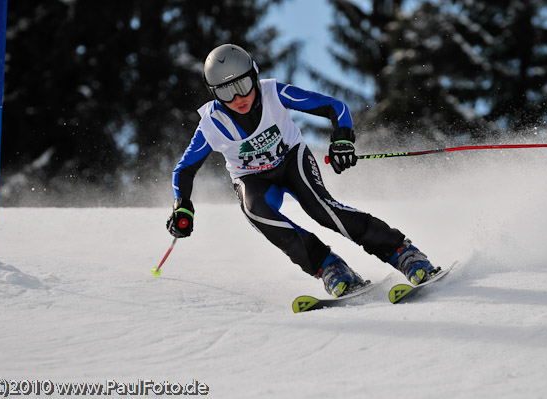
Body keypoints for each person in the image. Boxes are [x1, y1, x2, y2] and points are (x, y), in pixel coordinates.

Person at [167, 44, 440, 298]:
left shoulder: (274, 93)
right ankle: (330, 267)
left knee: (320, 208)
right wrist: (183, 207)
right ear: (213, 93)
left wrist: (342, 139)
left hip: (292, 161)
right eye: (226, 91)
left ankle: (402, 253)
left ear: (255, 75)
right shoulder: (211, 125)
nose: (238, 97)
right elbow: (184, 170)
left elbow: (336, 107)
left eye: (243, 85)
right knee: (256, 212)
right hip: (253, 179)